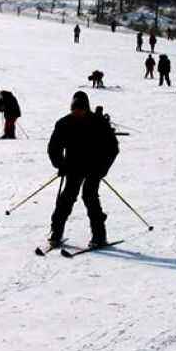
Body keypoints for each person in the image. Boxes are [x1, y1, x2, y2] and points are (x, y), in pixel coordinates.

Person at [47, 91, 119, 248]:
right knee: (67, 197)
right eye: (74, 110)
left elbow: (112, 148)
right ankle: (56, 232)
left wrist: (102, 169)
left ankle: (99, 235)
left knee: (89, 195)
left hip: (94, 167)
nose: (77, 113)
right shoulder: (64, 123)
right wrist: (60, 164)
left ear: (87, 108)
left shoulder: (99, 123)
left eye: (80, 110)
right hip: (73, 166)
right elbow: (54, 148)